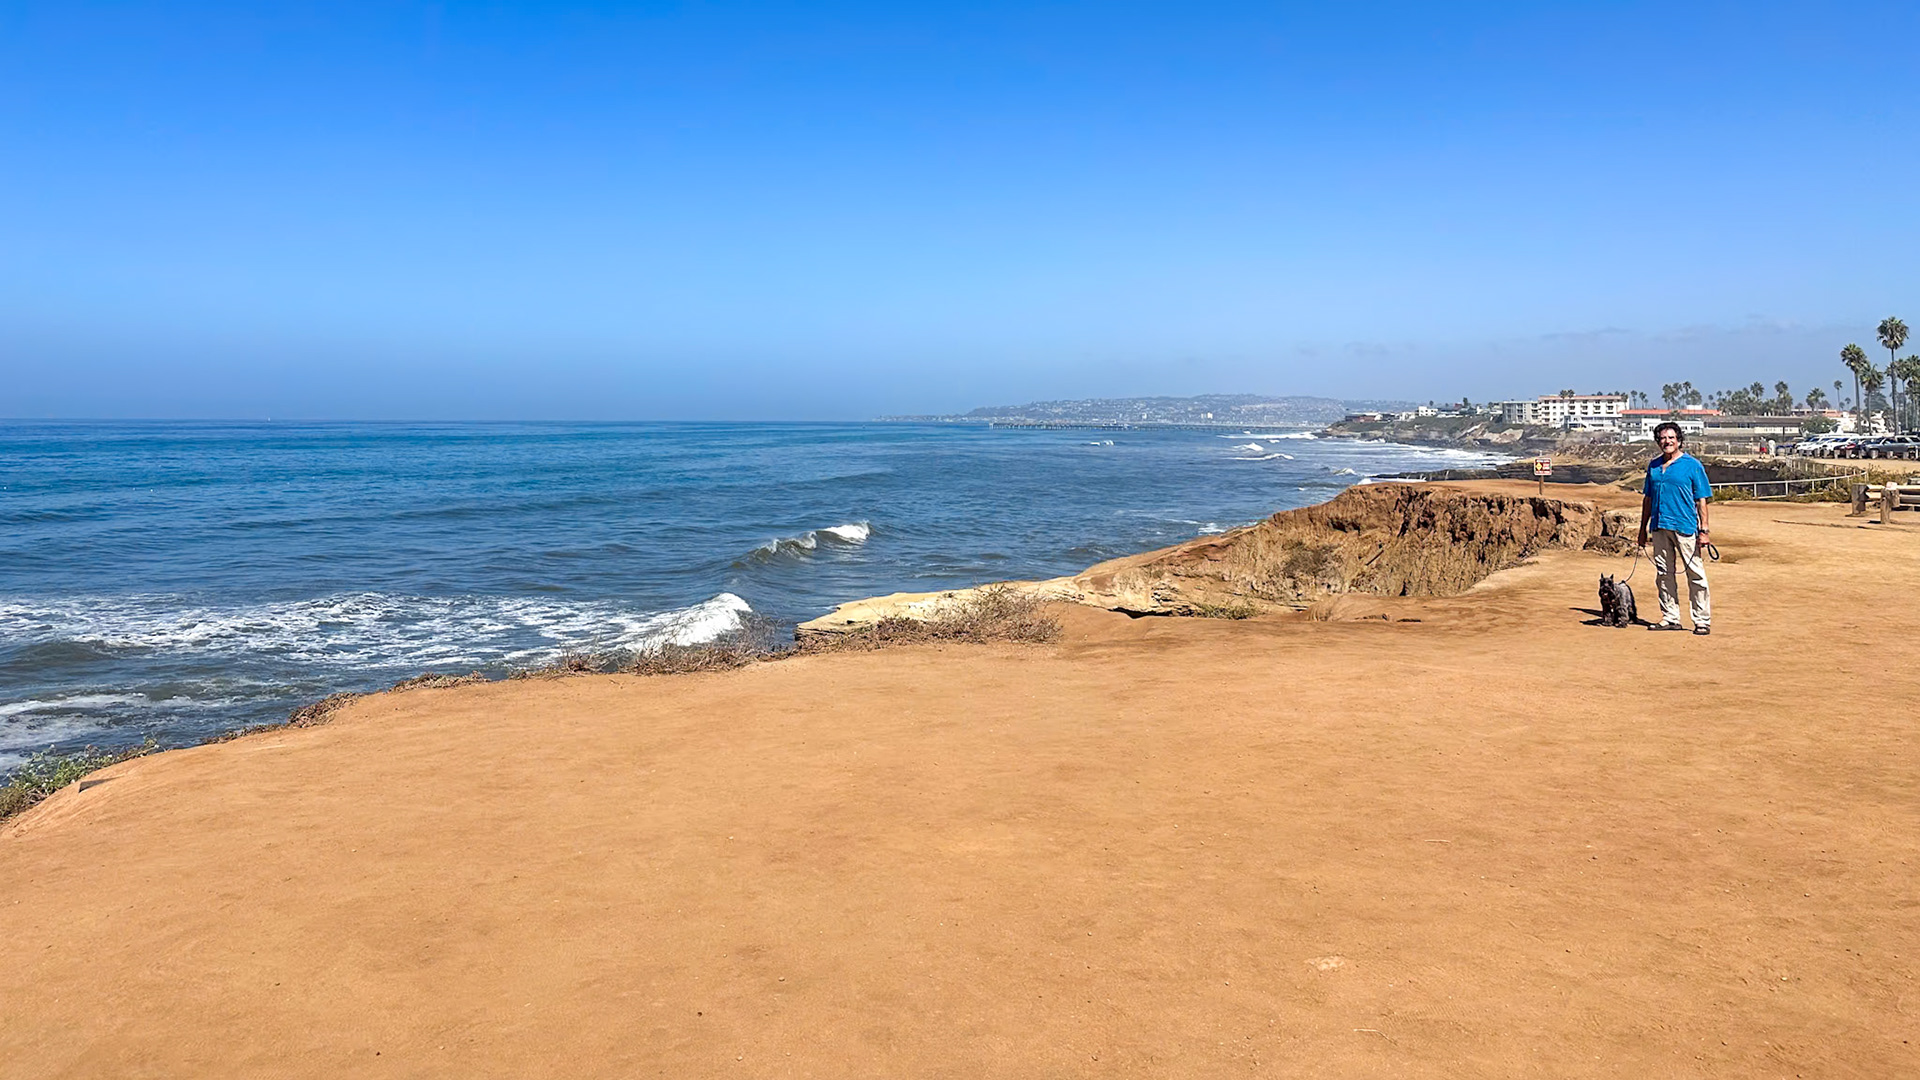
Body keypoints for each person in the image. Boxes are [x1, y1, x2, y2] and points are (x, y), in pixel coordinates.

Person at [1636, 421, 1712, 634]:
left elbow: (1702, 500)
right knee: (1663, 573)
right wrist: (1642, 529)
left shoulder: (1692, 465)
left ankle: (1702, 620)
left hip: (1685, 526)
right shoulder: (1653, 466)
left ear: (1679, 440)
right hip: (1659, 526)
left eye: (1671, 438)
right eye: (1662, 438)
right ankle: (1670, 617)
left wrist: (1704, 530)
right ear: (1658, 441)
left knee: (1695, 574)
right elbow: (1648, 499)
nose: (1667, 441)